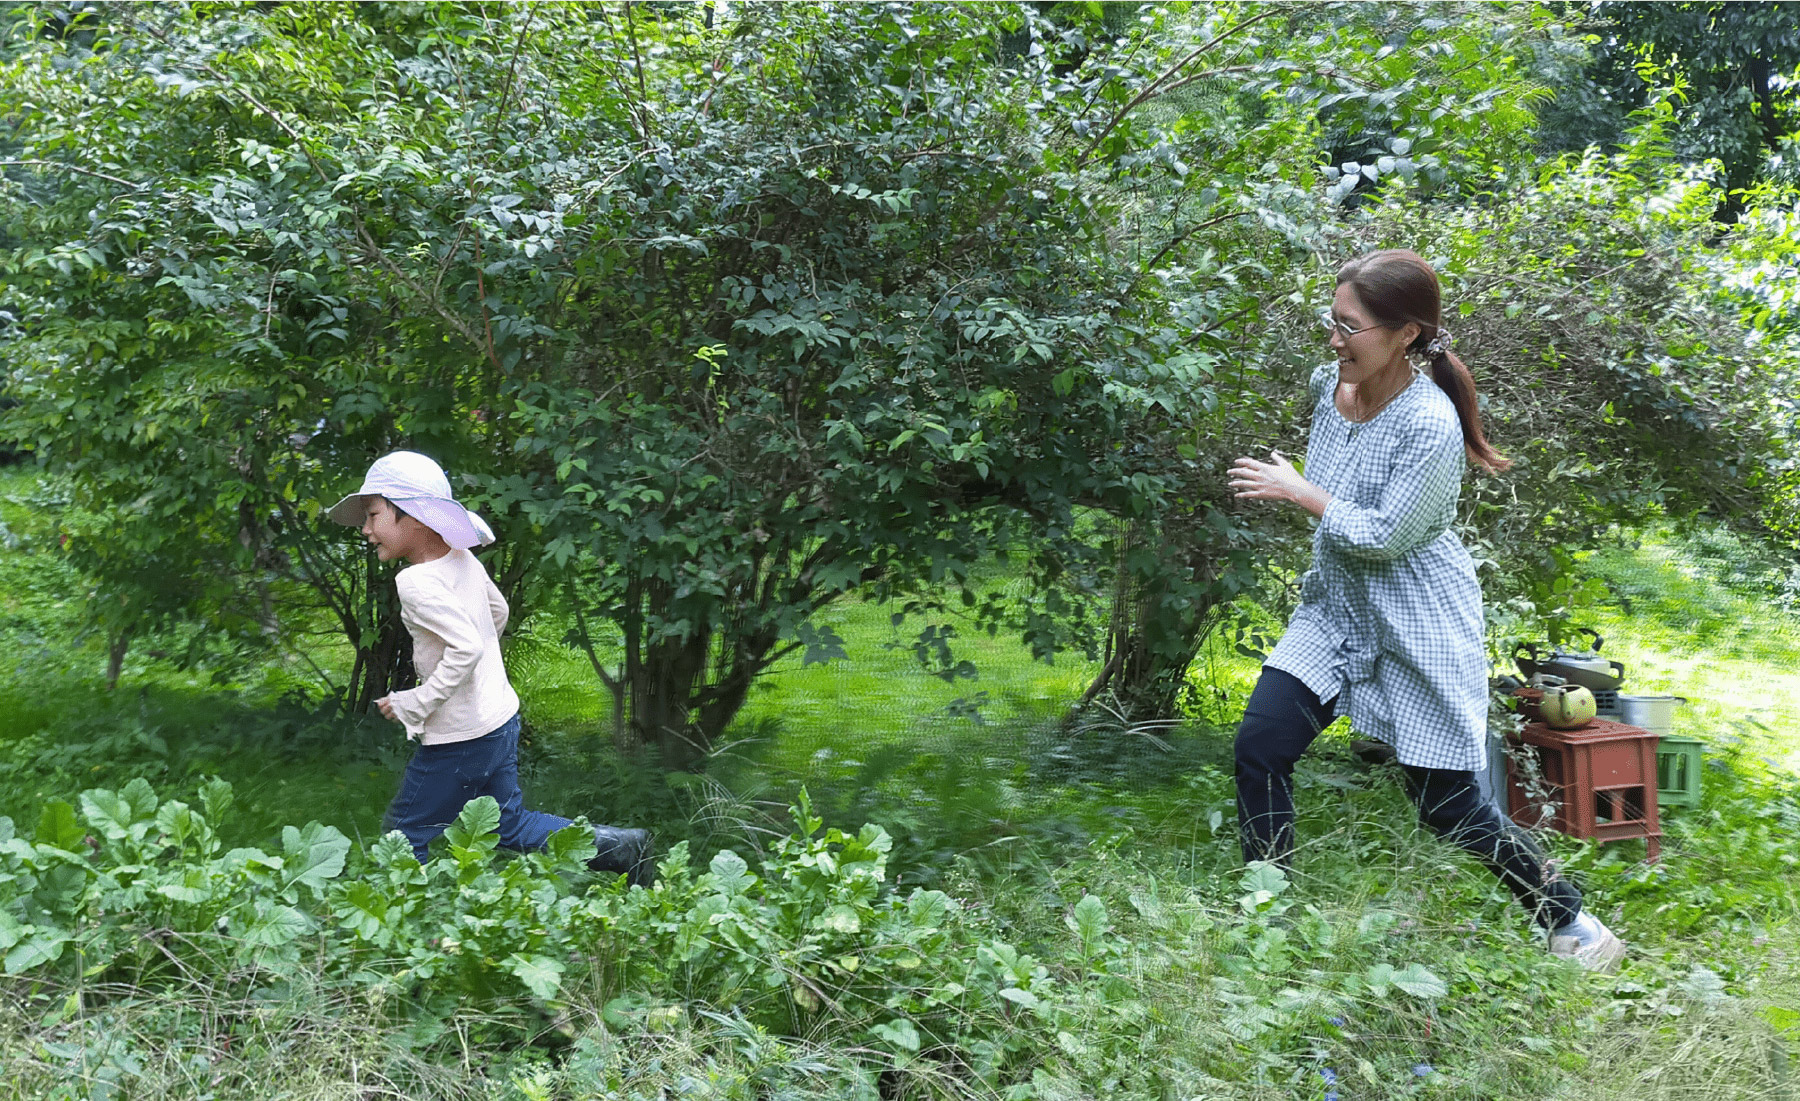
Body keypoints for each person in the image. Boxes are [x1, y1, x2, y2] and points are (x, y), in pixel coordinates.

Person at [1225, 250, 1625, 972]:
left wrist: (1298, 490)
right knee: (1260, 746)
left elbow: (1383, 535)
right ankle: (1266, 917)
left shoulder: (1430, 426)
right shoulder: (1330, 386)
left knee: (1446, 807)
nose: (1334, 339)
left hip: (1415, 618)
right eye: (1332, 320)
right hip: (1337, 608)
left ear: (1406, 333)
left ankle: (1571, 919)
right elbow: (1347, 511)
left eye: (1349, 326)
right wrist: (1307, 490)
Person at [326, 450, 653, 884]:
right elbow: (496, 613)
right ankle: (623, 846)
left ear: (416, 516)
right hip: (498, 719)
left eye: (372, 514)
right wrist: (477, 680)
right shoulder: (461, 557)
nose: (365, 529)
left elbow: (465, 647)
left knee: (403, 836)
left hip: (460, 738)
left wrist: (418, 700)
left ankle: (403, 931)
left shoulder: (414, 580)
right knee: (508, 825)